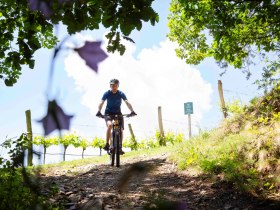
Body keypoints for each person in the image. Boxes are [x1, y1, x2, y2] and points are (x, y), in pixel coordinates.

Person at [96, 79, 136, 154]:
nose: (114, 87)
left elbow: (127, 102)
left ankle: (120, 147)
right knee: (110, 125)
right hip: (108, 113)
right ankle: (107, 144)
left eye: (115, 85)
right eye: (112, 85)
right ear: (110, 86)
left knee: (120, 129)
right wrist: (99, 111)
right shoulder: (107, 93)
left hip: (118, 113)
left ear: (118, 86)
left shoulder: (121, 93)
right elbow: (101, 102)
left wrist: (132, 111)